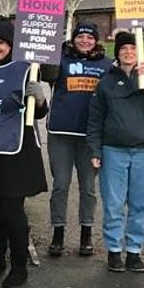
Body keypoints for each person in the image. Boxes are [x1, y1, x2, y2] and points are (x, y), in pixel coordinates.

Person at [86, 31, 144, 273]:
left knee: (140, 204)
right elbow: (95, 120)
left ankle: (134, 251)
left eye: (133, 49)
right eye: (123, 49)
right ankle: (114, 250)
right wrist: (95, 149)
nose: (128, 52)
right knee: (113, 204)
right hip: (114, 150)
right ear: (118, 53)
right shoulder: (106, 82)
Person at [0, 20, 48, 288]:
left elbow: (37, 113)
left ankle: (19, 266)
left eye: (0, 43)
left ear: (11, 45)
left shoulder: (26, 70)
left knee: (12, 212)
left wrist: (39, 99)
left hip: (16, 151)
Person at [40, 22, 111, 257]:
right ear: (73, 38)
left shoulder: (106, 64)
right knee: (60, 185)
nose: (85, 41)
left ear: (96, 41)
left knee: (88, 188)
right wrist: (48, 51)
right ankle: (58, 233)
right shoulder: (60, 58)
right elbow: (46, 74)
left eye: (90, 38)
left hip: (90, 137)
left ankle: (86, 234)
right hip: (61, 133)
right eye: (80, 36)